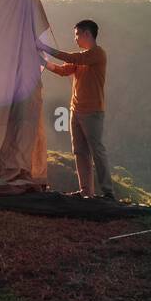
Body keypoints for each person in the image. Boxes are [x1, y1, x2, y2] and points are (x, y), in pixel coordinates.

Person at [38, 19, 112, 199]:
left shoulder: (97, 54)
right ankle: (86, 191)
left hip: (93, 112)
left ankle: (108, 192)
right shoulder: (82, 56)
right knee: (80, 152)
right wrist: (42, 61)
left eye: (77, 34)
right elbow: (63, 70)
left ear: (87, 34)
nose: (76, 38)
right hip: (75, 110)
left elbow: (72, 58)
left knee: (96, 151)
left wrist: (45, 48)